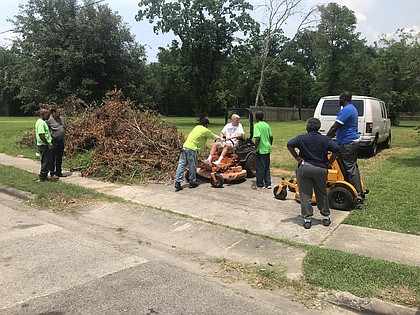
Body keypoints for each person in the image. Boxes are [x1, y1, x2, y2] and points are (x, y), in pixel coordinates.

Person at [287, 118, 339, 229]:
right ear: (319, 127)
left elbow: (289, 144)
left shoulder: (301, 138)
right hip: (321, 168)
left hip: (306, 167)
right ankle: (326, 217)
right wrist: (329, 162)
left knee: (305, 194)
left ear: (307, 127)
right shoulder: (325, 139)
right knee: (322, 193)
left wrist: (297, 157)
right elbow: (336, 149)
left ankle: (307, 219)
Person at [326, 91, 364, 203]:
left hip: (348, 143)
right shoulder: (352, 108)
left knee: (350, 167)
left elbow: (335, 126)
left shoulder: (346, 110)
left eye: (340, 99)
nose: (339, 101)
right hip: (350, 141)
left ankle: (357, 194)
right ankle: (356, 189)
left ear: (343, 98)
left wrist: (325, 139)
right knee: (349, 166)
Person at [174, 118, 221, 191]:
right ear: (206, 125)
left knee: (182, 164)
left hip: (185, 147)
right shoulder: (205, 130)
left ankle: (177, 182)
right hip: (192, 149)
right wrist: (221, 139)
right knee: (192, 166)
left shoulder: (196, 127)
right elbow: (214, 136)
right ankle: (192, 182)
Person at [35, 109, 57, 181]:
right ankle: (42, 177)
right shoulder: (41, 123)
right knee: (46, 161)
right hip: (44, 145)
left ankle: (44, 176)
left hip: (44, 144)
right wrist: (48, 144)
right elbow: (41, 135)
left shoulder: (42, 122)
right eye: (47, 114)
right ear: (43, 115)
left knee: (47, 161)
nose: (49, 116)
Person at [253, 111, 273, 189]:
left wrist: (255, 148)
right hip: (267, 148)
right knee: (267, 167)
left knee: (260, 167)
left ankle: (260, 184)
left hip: (261, 149)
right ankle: (268, 183)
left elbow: (258, 137)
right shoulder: (266, 125)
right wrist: (269, 144)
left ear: (256, 117)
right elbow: (271, 136)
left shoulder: (257, 125)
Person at [47, 106, 67, 178]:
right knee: (53, 157)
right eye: (58, 112)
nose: (59, 114)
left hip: (61, 140)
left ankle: (59, 172)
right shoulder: (49, 120)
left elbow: (64, 127)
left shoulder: (62, 119)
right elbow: (47, 130)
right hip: (54, 140)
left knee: (60, 157)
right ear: (53, 112)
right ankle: (52, 173)